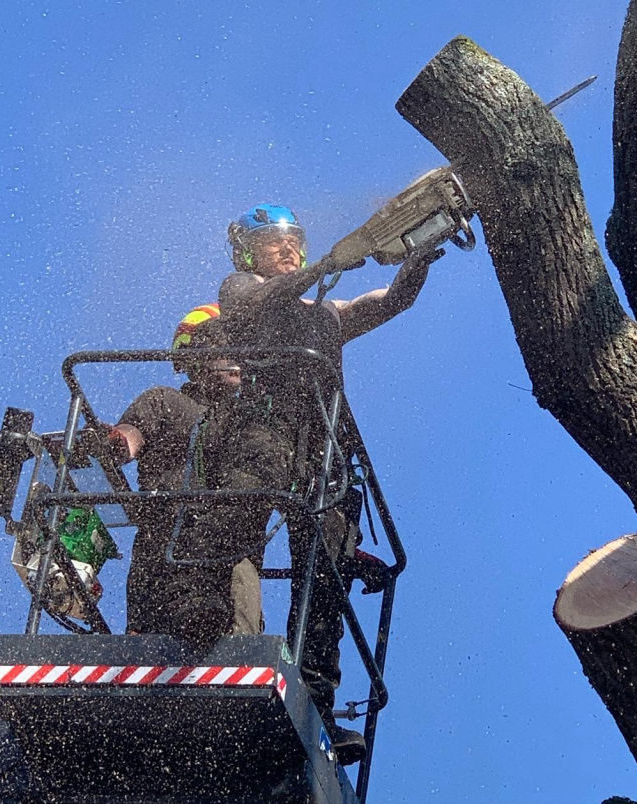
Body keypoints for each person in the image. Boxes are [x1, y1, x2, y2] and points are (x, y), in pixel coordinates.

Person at [212, 202, 437, 764]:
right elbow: (256, 301)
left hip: (326, 448)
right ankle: (226, 648)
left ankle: (315, 699)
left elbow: (388, 301)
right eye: (274, 242)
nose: (287, 249)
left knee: (326, 573)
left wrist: (418, 255)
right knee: (234, 534)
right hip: (262, 430)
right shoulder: (241, 290)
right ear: (248, 253)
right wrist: (328, 264)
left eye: (294, 241)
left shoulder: (328, 312)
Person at [108, 303, 266, 643]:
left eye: (243, 345)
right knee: (148, 652)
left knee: (235, 653)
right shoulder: (165, 402)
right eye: (225, 343)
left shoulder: (254, 422)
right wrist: (115, 444)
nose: (237, 354)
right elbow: (131, 435)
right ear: (194, 356)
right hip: (163, 553)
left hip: (230, 562)